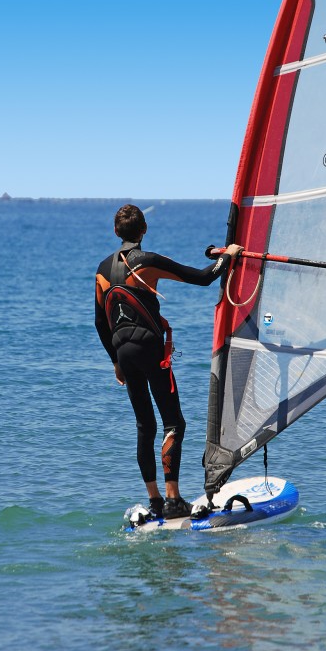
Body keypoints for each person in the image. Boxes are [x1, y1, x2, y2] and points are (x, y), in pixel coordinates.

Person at [94, 203, 242, 520]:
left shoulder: (103, 269)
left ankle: (155, 501)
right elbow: (205, 277)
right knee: (173, 422)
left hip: (121, 350)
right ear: (144, 230)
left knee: (144, 426)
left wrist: (115, 362)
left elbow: (99, 322)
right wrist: (228, 255)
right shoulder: (147, 261)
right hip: (149, 348)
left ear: (116, 232)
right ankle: (174, 500)